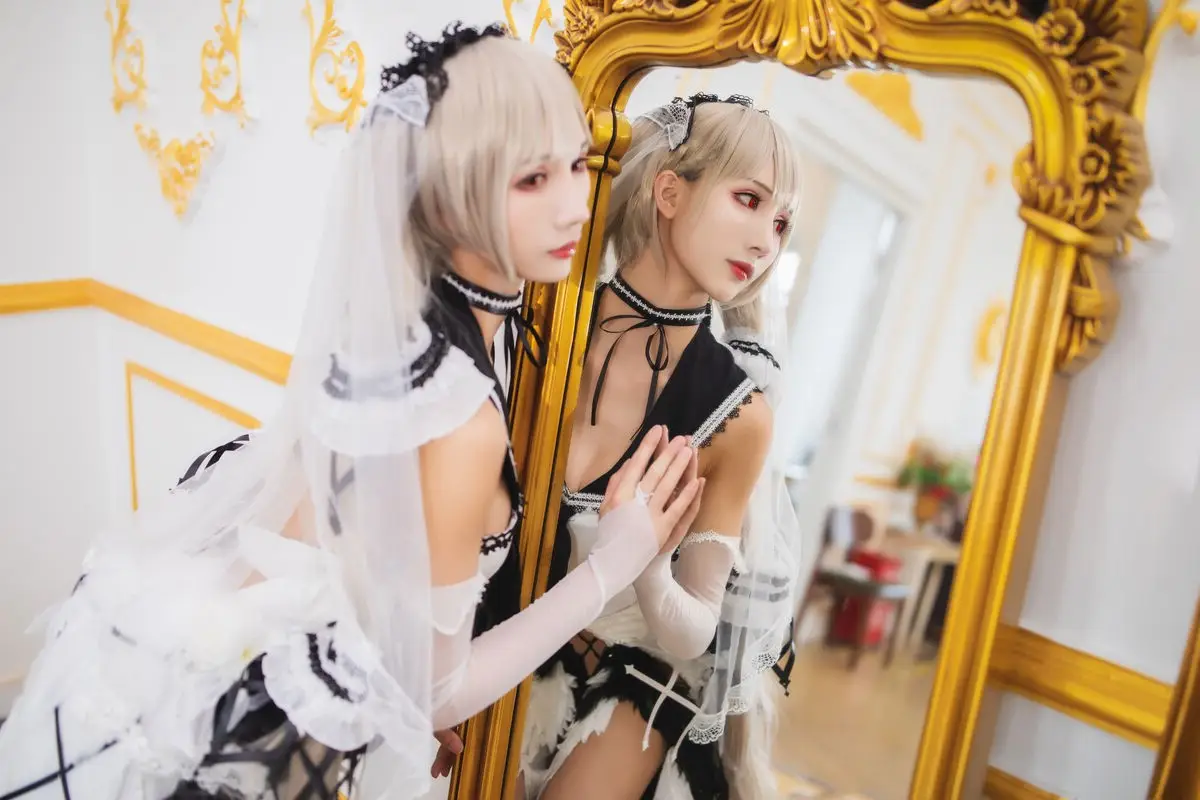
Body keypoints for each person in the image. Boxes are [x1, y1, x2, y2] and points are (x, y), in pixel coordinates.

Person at [0, 23, 704, 800]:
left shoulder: (396, 333)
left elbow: (361, 556)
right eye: (532, 179)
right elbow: (436, 694)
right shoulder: (461, 416)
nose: (575, 206)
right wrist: (613, 565)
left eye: (576, 165)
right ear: (444, 199)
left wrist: (393, 677)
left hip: (221, 661)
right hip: (253, 722)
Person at [518, 93, 804, 799]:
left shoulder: (740, 417)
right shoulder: (541, 322)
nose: (766, 242)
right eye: (749, 200)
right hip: (496, 630)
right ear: (669, 192)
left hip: (634, 676)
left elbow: (695, 630)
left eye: (781, 222)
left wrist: (644, 561)